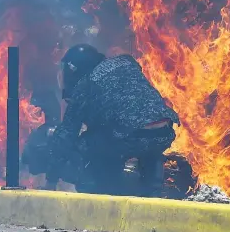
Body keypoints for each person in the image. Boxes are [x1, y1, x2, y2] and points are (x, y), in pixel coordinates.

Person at [45, 44, 179, 196]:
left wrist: (51, 179)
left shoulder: (86, 85)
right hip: (164, 131)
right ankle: (152, 186)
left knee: (84, 144)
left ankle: (102, 191)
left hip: (131, 137)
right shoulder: (126, 64)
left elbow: (66, 135)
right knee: (138, 141)